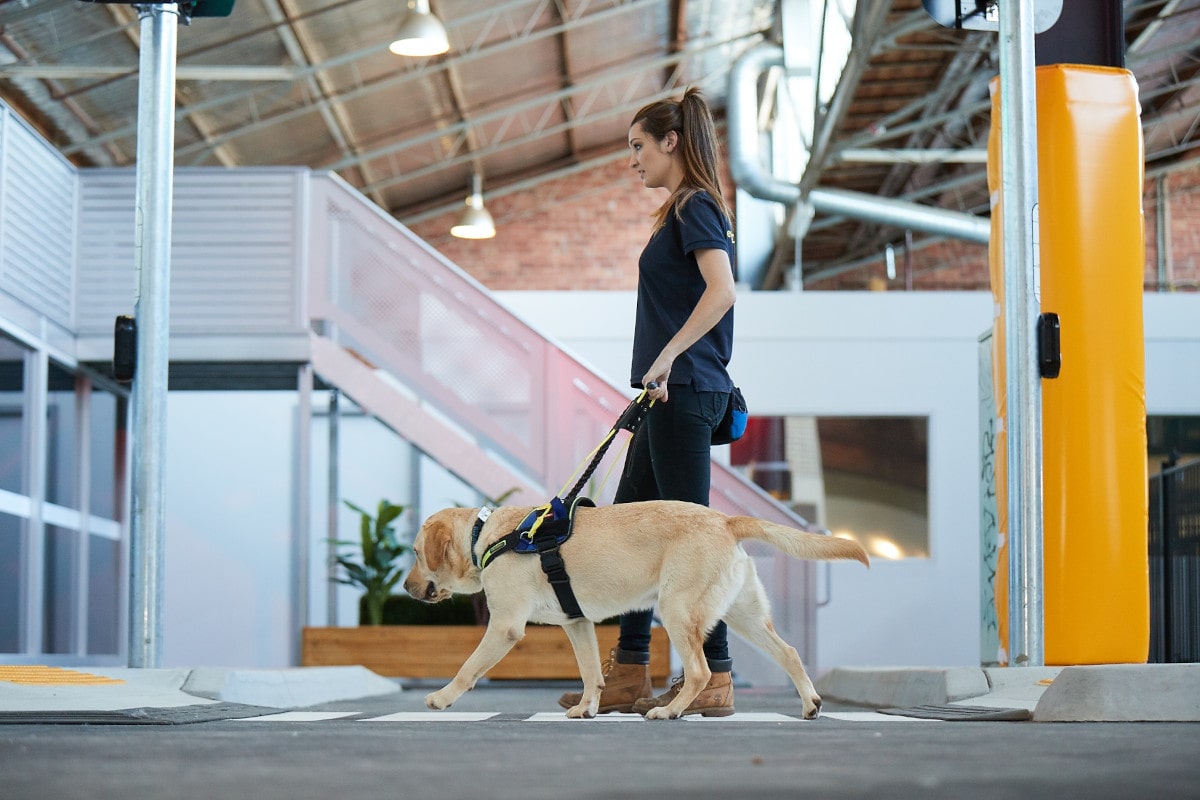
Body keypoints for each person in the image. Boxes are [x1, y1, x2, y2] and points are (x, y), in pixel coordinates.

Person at [558, 87, 739, 717]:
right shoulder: (684, 210)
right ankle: (630, 673)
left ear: (672, 143)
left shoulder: (695, 207)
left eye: (639, 146)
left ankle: (716, 679)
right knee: (627, 533)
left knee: (693, 539)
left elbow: (722, 292)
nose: (633, 159)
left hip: (685, 389)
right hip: (672, 395)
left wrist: (667, 356)